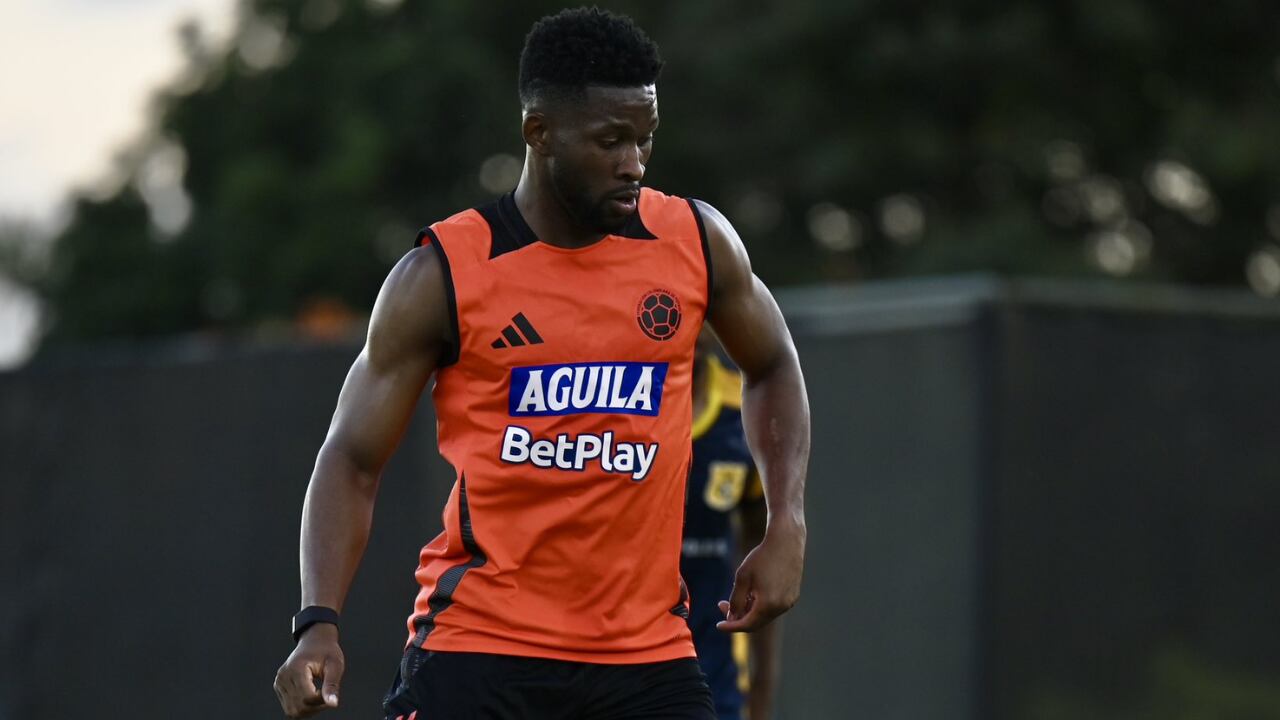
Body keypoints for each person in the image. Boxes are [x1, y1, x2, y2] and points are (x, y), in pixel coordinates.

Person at [273, 8, 810, 719]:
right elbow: (350, 457)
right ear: (539, 132)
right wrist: (318, 621)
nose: (634, 163)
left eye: (645, 140)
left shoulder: (696, 242)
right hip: (481, 650)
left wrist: (786, 523)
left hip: (647, 658)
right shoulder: (444, 274)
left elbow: (772, 365)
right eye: (610, 141)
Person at [683, 332, 781, 720]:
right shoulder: (613, 408)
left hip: (716, 671)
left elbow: (761, 541)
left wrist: (762, 687)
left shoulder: (741, 412)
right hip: (620, 663)